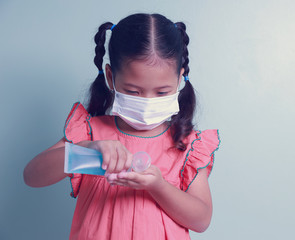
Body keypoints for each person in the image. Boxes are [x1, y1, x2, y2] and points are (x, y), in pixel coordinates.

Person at [23, 13, 220, 240]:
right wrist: (85, 149)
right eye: (133, 91)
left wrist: (158, 186)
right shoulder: (91, 133)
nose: (146, 100)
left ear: (179, 80)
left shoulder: (187, 144)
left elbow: (201, 220)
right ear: (110, 77)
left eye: (162, 92)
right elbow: (32, 176)